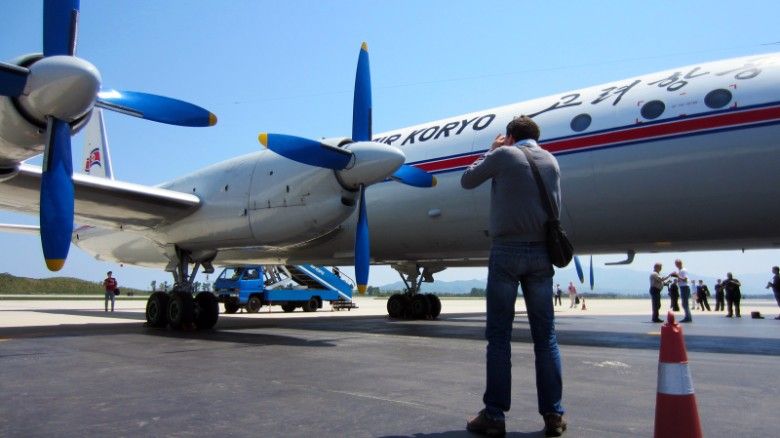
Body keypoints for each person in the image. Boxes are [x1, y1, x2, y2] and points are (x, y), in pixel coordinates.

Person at [461, 116, 566, 437]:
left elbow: (467, 179)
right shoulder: (551, 160)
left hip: (506, 251)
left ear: (509, 137)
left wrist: (491, 150)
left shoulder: (504, 154)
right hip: (542, 255)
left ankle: (494, 415)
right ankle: (553, 415)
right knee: (545, 338)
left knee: (499, 337)